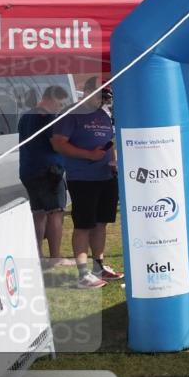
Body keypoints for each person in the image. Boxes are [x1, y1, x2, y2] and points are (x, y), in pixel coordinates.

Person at [51, 78, 123, 288]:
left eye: (106, 97)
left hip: (106, 176)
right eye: (101, 95)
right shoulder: (72, 113)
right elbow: (58, 143)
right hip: (82, 178)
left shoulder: (103, 115)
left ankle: (98, 266)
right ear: (88, 91)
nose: (104, 100)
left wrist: (113, 162)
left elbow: (108, 143)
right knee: (83, 225)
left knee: (101, 222)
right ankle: (83, 274)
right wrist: (88, 155)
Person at [19, 85, 75, 269]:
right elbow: (57, 144)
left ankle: (38, 254)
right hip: (49, 171)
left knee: (39, 214)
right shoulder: (49, 119)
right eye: (59, 103)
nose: (60, 107)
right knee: (56, 213)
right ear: (50, 99)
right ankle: (55, 257)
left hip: (28, 170)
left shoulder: (26, 116)